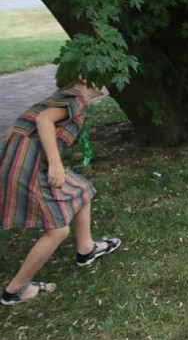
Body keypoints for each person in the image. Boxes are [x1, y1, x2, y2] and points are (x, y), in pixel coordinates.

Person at [1, 77, 121, 305]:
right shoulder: (76, 98)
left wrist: (54, 164)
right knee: (58, 231)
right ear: (84, 78)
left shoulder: (66, 99)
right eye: (102, 74)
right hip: (26, 164)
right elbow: (44, 120)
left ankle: (86, 250)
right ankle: (15, 290)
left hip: (24, 159)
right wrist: (55, 164)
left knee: (81, 188)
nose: (107, 79)